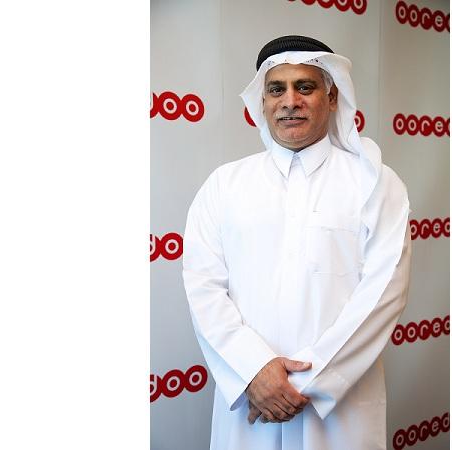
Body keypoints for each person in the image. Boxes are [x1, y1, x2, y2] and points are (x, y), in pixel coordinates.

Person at [182, 35, 412, 450]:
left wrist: (308, 383)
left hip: (340, 407)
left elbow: (383, 293)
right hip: (250, 397)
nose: (290, 101)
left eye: (305, 87)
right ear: (262, 102)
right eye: (277, 89)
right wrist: (254, 371)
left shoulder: (375, 183)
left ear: (332, 97)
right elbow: (204, 288)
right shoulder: (224, 185)